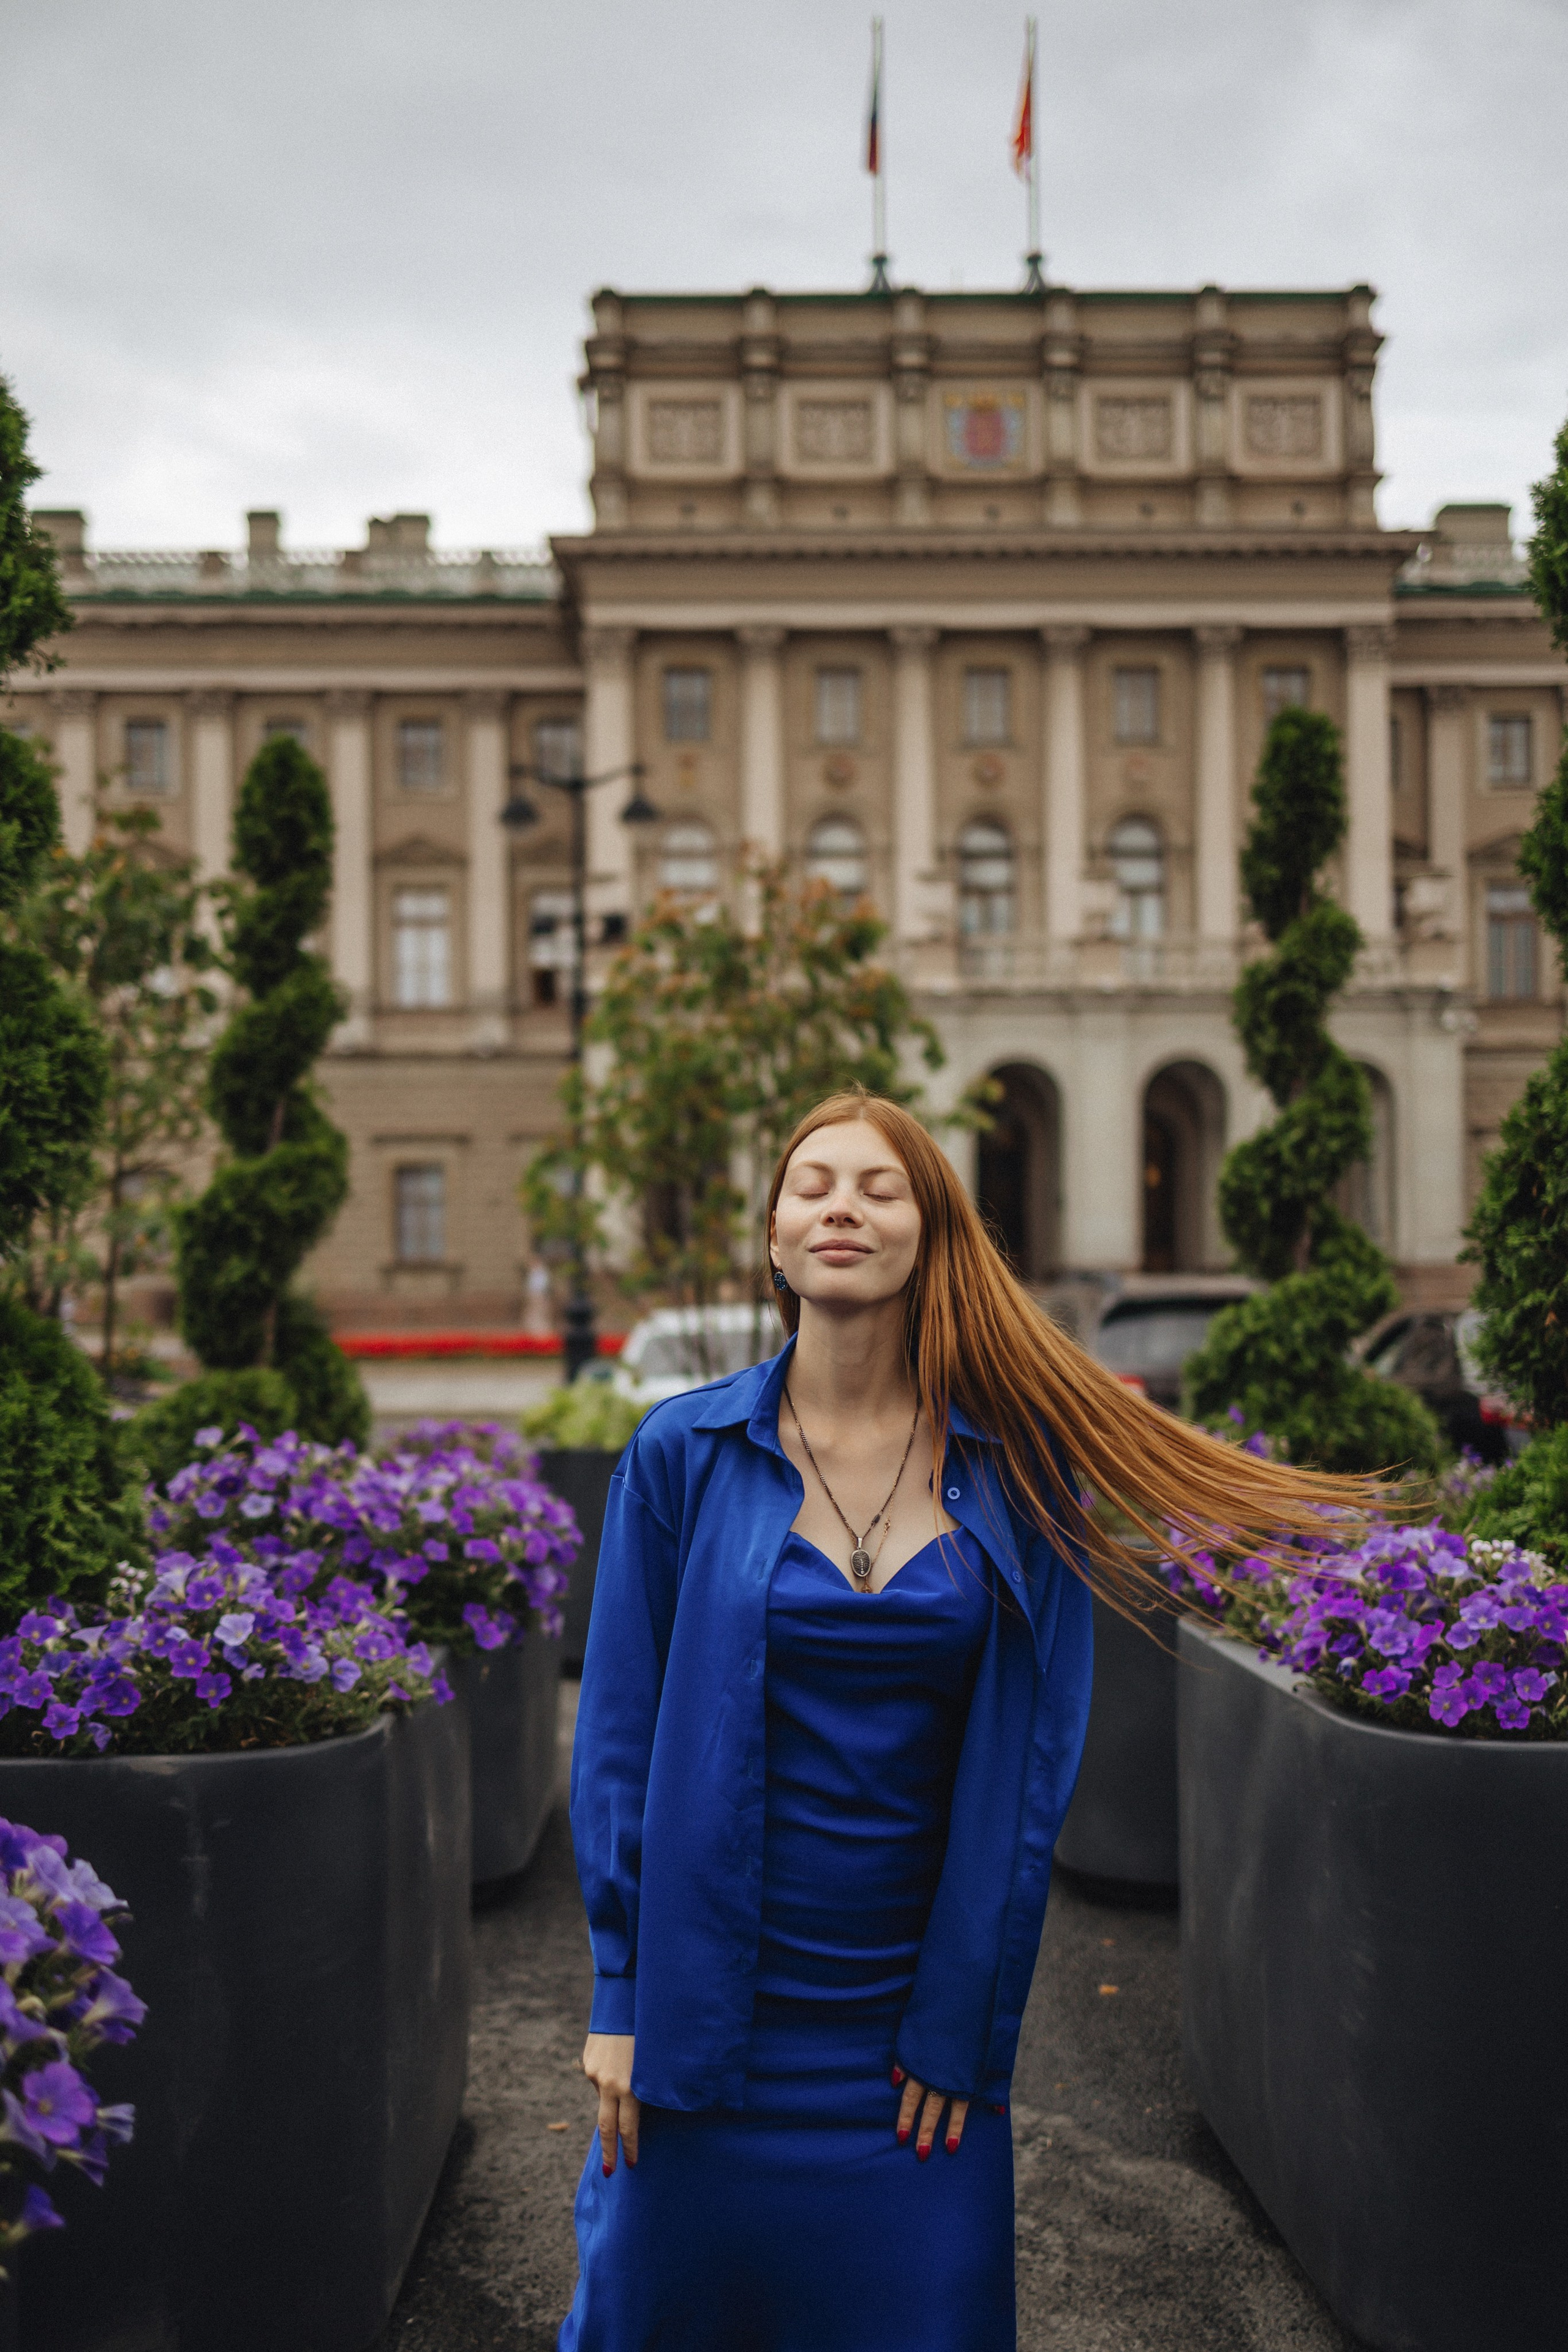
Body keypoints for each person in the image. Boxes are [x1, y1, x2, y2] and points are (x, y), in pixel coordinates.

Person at [559, 1090, 1379, 2351]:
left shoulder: (1019, 1470)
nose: (841, 1206)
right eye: (812, 1185)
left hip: (907, 2046)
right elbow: (617, 1736)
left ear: (931, 1236)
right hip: (701, 2021)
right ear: (775, 1239)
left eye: (878, 1187)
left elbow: (1033, 1766)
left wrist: (964, 2028)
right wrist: (620, 1996)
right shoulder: (683, 1452)